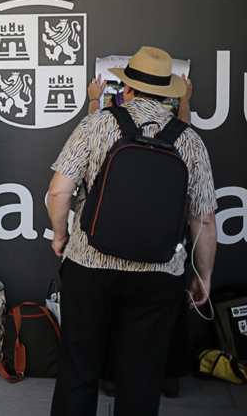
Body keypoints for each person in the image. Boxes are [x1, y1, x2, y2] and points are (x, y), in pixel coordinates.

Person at [47, 46, 217, 415]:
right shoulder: (190, 141)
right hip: (158, 273)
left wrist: (61, 236)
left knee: (78, 368)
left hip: (89, 264)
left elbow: (58, 192)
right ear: (168, 94)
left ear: (126, 89)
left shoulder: (96, 124)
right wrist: (203, 275)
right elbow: (203, 219)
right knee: (142, 377)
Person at [87, 72, 194, 399]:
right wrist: (186, 101)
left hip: (114, 234)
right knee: (162, 314)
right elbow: (186, 133)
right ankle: (169, 378)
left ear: (128, 89)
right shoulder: (179, 131)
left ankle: (111, 378)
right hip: (164, 239)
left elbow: (90, 142)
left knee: (114, 308)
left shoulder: (105, 121)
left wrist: (94, 99)